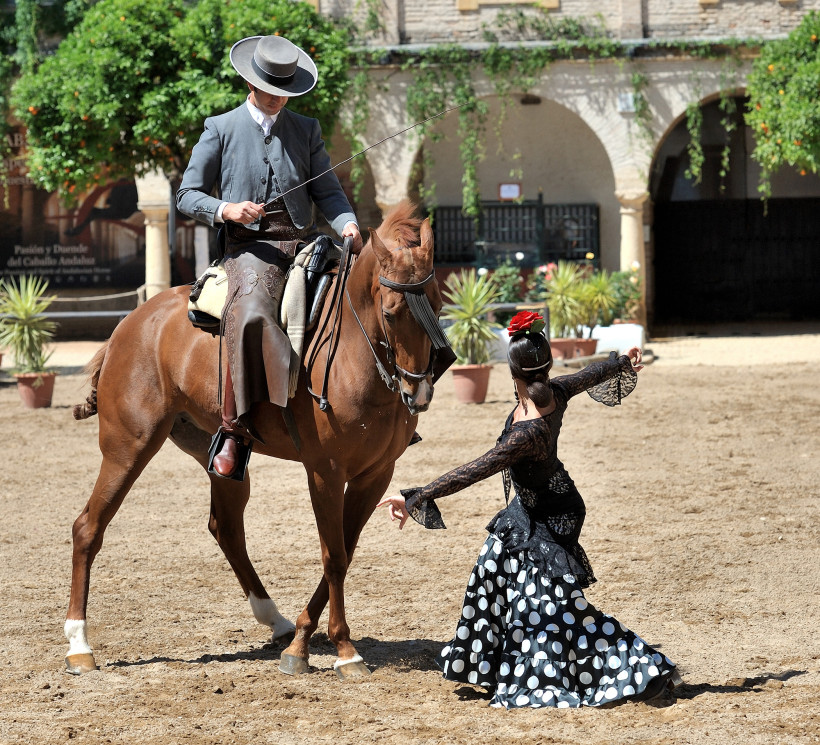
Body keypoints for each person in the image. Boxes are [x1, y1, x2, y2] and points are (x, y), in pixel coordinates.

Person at [377, 311, 681, 709]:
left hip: (555, 515)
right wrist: (621, 360)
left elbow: (475, 469)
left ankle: (643, 671)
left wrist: (416, 496)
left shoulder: (528, 433)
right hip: (532, 506)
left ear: (512, 371)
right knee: (491, 568)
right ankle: (484, 666)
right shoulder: (555, 390)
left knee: (556, 608)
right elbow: (589, 374)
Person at [177, 34, 363, 479]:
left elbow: (329, 193)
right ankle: (233, 430)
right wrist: (226, 210)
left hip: (305, 242)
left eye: (286, 91)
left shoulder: (307, 129)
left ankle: (381, 409)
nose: (279, 98)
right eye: (271, 90)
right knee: (252, 313)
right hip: (249, 250)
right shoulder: (219, 128)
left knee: (364, 298)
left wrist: (348, 224)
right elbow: (187, 194)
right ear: (251, 83)